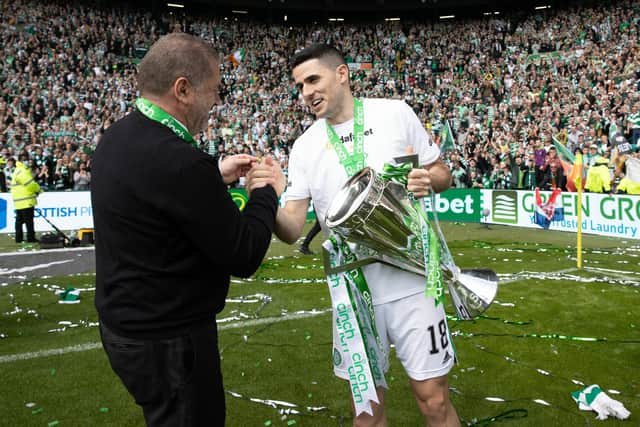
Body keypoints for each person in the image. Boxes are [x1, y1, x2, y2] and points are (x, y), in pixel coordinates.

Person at [255, 44, 459, 426]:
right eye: (299, 86)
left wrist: (427, 179)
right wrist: (265, 198)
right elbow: (293, 227)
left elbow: (443, 174)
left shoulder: (395, 113)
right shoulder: (304, 146)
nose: (306, 93)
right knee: (367, 415)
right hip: (351, 289)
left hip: (412, 279)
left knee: (434, 402)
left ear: (343, 74)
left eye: (313, 79)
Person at [91, 33, 285, 427]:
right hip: (170, 339)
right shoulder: (180, 161)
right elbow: (244, 253)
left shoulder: (117, 136)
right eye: (212, 91)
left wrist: (214, 173)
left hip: (127, 328)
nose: (215, 103)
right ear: (183, 89)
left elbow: (154, 192)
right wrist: (266, 192)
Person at [11, 153, 41, 243]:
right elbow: (30, 184)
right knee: (29, 221)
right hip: (26, 199)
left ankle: (18, 238)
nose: (27, 162)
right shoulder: (22, 171)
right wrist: (39, 190)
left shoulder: (17, 170)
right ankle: (30, 238)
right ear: (21, 161)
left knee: (19, 221)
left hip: (19, 200)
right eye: (25, 160)